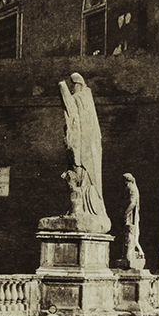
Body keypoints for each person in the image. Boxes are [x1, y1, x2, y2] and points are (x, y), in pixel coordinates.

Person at [58, 73, 110, 232]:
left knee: (83, 179)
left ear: (78, 84)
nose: (73, 88)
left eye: (73, 85)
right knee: (77, 180)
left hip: (85, 150)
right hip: (82, 149)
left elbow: (72, 110)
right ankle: (79, 209)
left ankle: (85, 209)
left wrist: (63, 88)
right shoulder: (84, 99)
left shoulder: (83, 98)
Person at [120, 173, 146, 270]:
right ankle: (136, 254)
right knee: (131, 237)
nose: (126, 185)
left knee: (132, 236)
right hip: (131, 215)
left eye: (126, 182)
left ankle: (139, 253)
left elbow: (132, 203)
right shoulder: (132, 189)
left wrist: (125, 213)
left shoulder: (132, 190)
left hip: (132, 216)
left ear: (130, 182)